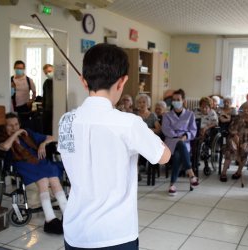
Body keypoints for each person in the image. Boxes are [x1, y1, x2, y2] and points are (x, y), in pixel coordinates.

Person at [57, 44, 171, 250]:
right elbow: (164, 156)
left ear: (84, 81)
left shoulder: (65, 120)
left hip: (75, 231)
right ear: (123, 81)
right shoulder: (129, 123)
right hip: (114, 234)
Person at [0, 113, 66, 234]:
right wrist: (17, 133)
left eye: (16, 124)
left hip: (38, 160)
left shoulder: (27, 134)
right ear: (4, 127)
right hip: (21, 164)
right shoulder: (0, 138)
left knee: (54, 179)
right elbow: (5, 147)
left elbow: (51, 137)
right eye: (10, 126)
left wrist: (43, 143)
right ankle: (50, 219)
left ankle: (67, 214)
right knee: (43, 180)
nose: (14, 127)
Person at [162, 89, 199, 196]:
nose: (176, 102)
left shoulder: (190, 114)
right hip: (171, 141)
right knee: (179, 144)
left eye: (178, 99)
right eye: (173, 100)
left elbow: (193, 130)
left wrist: (185, 136)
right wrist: (178, 136)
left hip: (185, 141)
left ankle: (172, 184)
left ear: (183, 101)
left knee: (179, 153)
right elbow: (166, 129)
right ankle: (191, 174)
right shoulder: (167, 115)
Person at [219, 102, 248, 182]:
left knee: (244, 149)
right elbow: (231, 128)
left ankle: (239, 171)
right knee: (230, 148)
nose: (246, 110)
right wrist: (235, 135)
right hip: (235, 138)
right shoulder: (238, 118)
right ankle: (223, 172)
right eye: (244, 108)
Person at [42, 64, 54, 135]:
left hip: (56, 109)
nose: (48, 74)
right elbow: (44, 96)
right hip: (47, 109)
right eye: (46, 73)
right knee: (47, 130)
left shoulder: (59, 82)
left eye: (49, 71)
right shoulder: (46, 83)